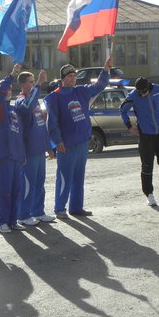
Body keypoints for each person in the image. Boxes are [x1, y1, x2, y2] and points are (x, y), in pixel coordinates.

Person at [44, 57, 113, 219]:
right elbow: (52, 122)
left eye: (74, 75)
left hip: (82, 142)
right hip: (66, 145)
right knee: (64, 177)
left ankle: (76, 207)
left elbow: (99, 86)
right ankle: (60, 208)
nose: (73, 78)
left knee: (78, 177)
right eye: (69, 76)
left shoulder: (80, 91)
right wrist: (58, 142)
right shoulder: (55, 97)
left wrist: (106, 70)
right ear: (62, 79)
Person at [119, 77, 159, 207]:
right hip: (146, 135)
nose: (142, 94)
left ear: (149, 88)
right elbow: (122, 110)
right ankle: (149, 195)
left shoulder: (158, 90)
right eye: (140, 92)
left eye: (144, 92)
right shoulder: (133, 95)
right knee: (147, 166)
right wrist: (129, 126)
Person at [15, 69, 56, 226]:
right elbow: (27, 106)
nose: (33, 84)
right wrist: (39, 85)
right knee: (28, 183)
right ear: (23, 84)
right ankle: (23, 215)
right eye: (31, 82)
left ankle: (38, 211)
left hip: (39, 150)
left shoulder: (34, 101)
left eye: (34, 81)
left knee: (39, 182)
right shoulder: (20, 101)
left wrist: (49, 147)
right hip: (29, 151)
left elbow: (41, 125)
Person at [0, 64, 26, 234]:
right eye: (6, 89)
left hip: (15, 157)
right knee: (4, 191)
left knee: (15, 191)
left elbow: (18, 135)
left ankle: (12, 220)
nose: (9, 91)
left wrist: (22, 155)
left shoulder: (13, 110)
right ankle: (2, 221)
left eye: (11, 89)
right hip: (3, 156)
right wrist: (12, 75)